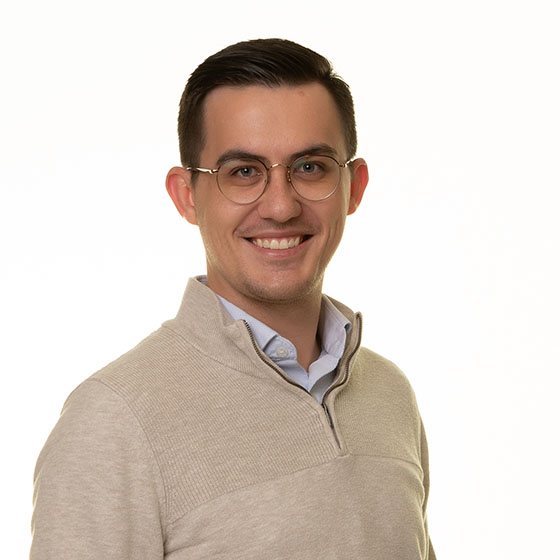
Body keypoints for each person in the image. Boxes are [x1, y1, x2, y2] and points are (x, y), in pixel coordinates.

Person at [31, 38, 436, 559]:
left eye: (310, 166)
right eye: (243, 172)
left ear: (353, 186)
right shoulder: (114, 421)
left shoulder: (387, 393)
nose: (281, 206)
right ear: (186, 196)